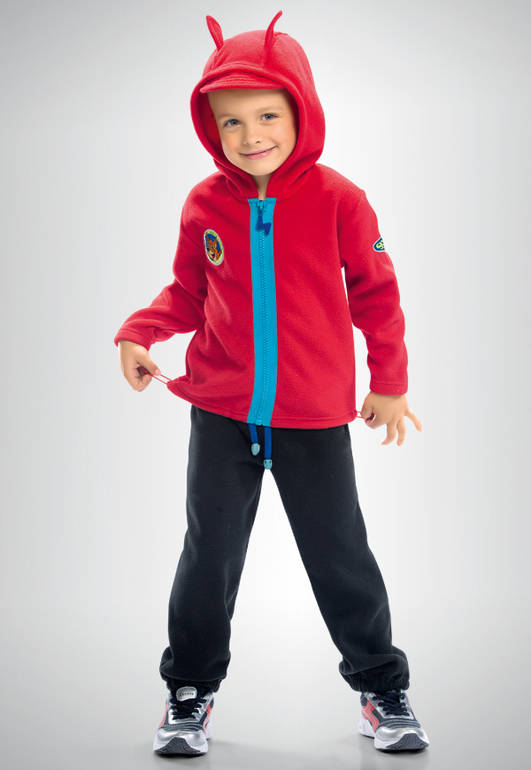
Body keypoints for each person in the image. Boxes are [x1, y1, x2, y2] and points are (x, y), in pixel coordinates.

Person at [115, 11, 429, 756]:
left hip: (312, 416)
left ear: (300, 111)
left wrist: (389, 381)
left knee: (339, 553)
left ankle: (381, 687)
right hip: (222, 412)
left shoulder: (340, 199)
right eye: (230, 120)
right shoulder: (205, 203)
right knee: (208, 555)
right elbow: (188, 292)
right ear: (209, 126)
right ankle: (188, 691)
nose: (250, 135)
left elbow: (377, 293)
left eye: (266, 115)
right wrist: (138, 332)